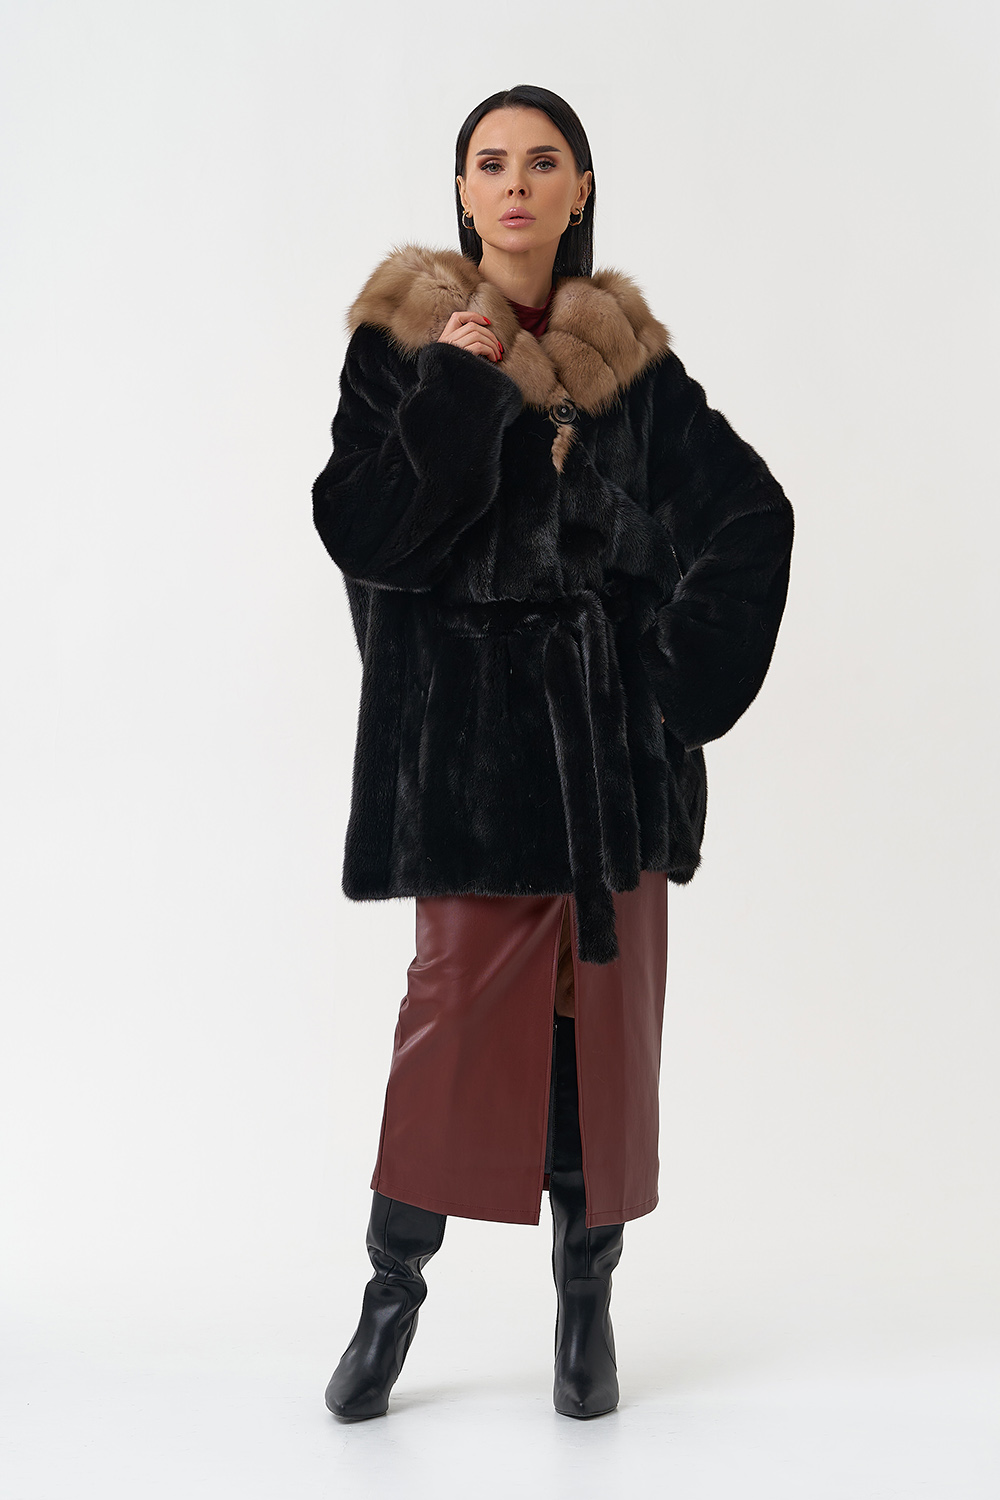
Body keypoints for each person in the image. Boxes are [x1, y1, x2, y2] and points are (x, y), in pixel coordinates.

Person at [311, 84, 794, 1421]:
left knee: (603, 1050)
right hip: (469, 761)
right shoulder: (405, 344)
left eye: (543, 161)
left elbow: (751, 514)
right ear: (463, 192)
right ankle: (391, 1300)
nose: (516, 183)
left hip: (609, 767)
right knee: (445, 1040)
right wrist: (459, 389)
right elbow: (365, 532)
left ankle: (588, 1309)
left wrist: (671, 686)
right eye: (491, 162)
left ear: (580, 189)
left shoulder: (633, 365)